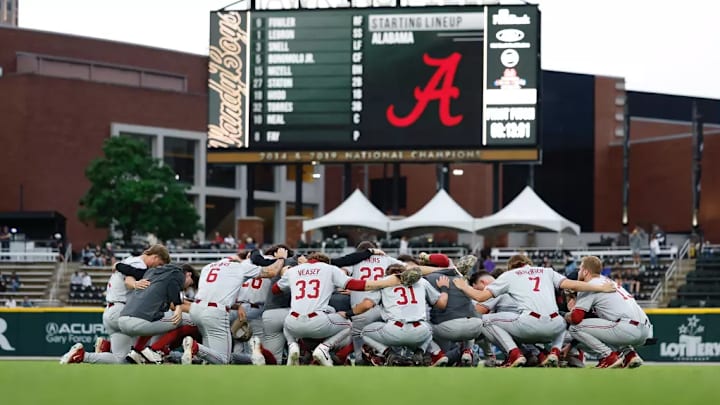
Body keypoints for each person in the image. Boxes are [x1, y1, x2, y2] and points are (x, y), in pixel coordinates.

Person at [452, 254, 616, 367]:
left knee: (486, 321)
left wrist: (463, 286)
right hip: (554, 328)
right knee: (560, 318)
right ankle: (555, 351)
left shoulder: (510, 275)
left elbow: (481, 298)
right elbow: (572, 284)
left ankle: (515, 354)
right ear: (528, 262)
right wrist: (598, 287)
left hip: (529, 324)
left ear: (511, 267)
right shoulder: (547, 271)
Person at [274, 252, 404, 366]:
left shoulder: (294, 270)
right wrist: (383, 283)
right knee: (348, 324)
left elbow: (275, 289)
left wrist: (286, 275)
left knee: (287, 321)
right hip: (317, 321)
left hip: (293, 322)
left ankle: (292, 346)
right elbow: (355, 285)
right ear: (326, 262)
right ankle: (324, 349)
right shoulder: (329, 269)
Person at [59, 244, 171, 364]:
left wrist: (119, 266)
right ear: (155, 257)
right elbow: (129, 280)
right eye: (160, 264)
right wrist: (135, 284)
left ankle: (82, 355)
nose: (158, 268)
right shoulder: (139, 263)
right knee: (169, 319)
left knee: (120, 359)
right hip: (122, 311)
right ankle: (154, 351)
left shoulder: (130, 261)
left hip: (111, 312)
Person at [179, 248, 288, 365]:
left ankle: (199, 355)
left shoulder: (208, 267)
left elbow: (217, 292)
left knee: (211, 354)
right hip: (216, 313)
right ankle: (195, 347)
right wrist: (281, 258)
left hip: (197, 309)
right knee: (223, 359)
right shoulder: (239, 267)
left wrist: (237, 306)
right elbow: (272, 271)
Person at [567, 256, 651, 368]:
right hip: (645, 329)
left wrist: (564, 315)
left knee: (575, 328)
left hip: (627, 328)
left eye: (580, 268)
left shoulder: (589, 285)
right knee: (605, 326)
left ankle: (609, 357)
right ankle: (630, 355)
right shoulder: (607, 281)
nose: (579, 271)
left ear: (586, 271)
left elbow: (576, 318)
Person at [361, 263, 449, 366]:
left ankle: (388, 353)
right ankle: (420, 351)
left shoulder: (384, 282)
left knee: (364, 332)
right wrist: (444, 288)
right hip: (419, 329)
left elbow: (367, 304)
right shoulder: (421, 281)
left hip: (395, 328)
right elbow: (441, 304)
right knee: (429, 328)